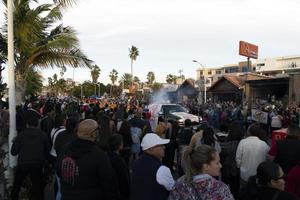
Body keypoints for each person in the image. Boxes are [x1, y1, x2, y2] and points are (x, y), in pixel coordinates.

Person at [56, 119, 119, 200]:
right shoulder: (99, 155)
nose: (99, 132)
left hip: (67, 195)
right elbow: (108, 183)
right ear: (93, 134)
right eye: (97, 130)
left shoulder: (65, 149)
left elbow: (58, 170)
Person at [168, 145, 234, 200]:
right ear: (206, 166)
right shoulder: (219, 188)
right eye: (217, 163)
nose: (220, 166)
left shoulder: (179, 184)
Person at [11, 111, 51, 200]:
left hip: (23, 163)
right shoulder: (43, 135)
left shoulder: (21, 135)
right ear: (37, 124)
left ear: (27, 124)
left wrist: (15, 142)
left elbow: (13, 152)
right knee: (38, 187)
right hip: (37, 164)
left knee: (16, 186)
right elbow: (48, 151)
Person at [131, 133, 175, 200]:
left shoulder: (136, 163)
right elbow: (174, 189)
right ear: (151, 149)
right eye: (161, 145)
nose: (164, 147)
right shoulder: (162, 170)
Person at [108, 134, 130, 200]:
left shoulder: (104, 157)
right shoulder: (119, 161)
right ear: (120, 145)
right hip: (119, 193)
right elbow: (125, 180)